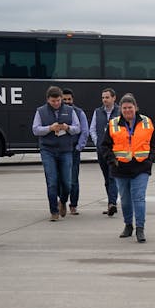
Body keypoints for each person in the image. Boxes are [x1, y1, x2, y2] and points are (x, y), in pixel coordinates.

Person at [98, 93, 155, 243]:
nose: (127, 111)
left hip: (141, 167)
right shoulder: (113, 124)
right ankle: (128, 225)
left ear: (136, 108)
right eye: (124, 108)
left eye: (130, 108)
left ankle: (140, 228)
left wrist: (151, 159)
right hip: (120, 168)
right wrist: (111, 160)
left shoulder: (146, 122)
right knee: (125, 200)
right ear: (121, 109)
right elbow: (105, 146)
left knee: (138, 198)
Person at [31, 86, 80, 221]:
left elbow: (77, 128)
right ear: (48, 100)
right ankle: (54, 211)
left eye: (58, 100)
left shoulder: (70, 110)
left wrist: (68, 127)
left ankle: (62, 201)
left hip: (65, 150)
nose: (56, 103)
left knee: (67, 182)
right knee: (52, 181)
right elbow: (35, 129)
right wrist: (49, 128)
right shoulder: (40, 111)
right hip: (48, 150)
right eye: (53, 101)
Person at [86, 87, 120, 217]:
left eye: (107, 97)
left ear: (113, 98)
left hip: (115, 150)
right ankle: (110, 203)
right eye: (103, 97)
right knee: (107, 178)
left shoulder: (119, 111)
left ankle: (112, 203)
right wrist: (98, 143)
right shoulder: (97, 112)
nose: (104, 100)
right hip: (102, 150)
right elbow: (92, 129)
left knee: (112, 176)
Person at [61, 88, 90, 216]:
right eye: (64, 99)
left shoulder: (79, 112)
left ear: (73, 100)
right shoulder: (57, 113)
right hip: (60, 149)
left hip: (73, 149)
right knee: (60, 178)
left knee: (73, 179)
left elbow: (85, 131)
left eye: (69, 99)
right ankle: (61, 202)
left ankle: (73, 205)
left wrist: (79, 147)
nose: (67, 102)